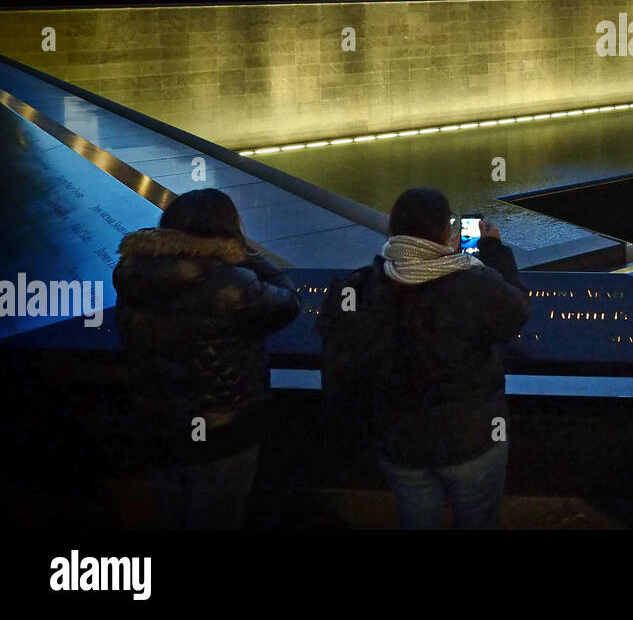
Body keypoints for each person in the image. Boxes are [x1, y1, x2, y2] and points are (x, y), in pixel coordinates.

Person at [320, 188, 530, 529]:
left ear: (391, 230)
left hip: (399, 443)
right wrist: (494, 250)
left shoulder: (357, 287)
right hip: (471, 439)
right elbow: (516, 311)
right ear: (446, 234)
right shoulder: (474, 282)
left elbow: (340, 364)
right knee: (478, 517)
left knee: (417, 514)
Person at [113, 189, 300, 529]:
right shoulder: (233, 284)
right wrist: (247, 254)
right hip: (221, 432)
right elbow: (288, 302)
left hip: (157, 426)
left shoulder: (131, 273)